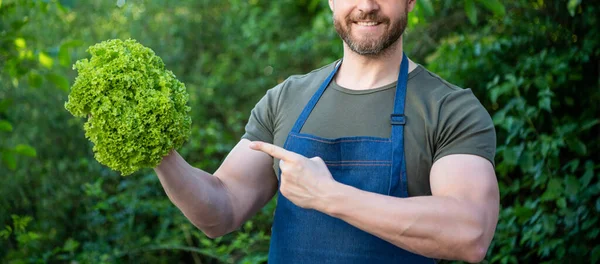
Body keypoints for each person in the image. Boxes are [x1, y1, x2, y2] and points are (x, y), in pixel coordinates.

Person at [154, 0, 500, 263]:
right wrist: (156, 150)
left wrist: (329, 196)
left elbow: (469, 232)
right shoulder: (286, 99)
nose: (367, 6)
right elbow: (220, 211)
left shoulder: (448, 108)